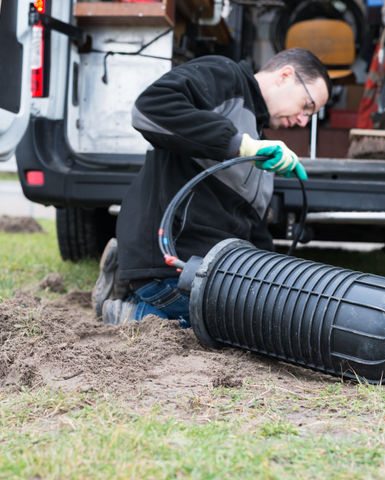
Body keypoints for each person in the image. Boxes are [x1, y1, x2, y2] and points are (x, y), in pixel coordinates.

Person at [92, 47, 332, 327]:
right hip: (170, 263)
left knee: (272, 319)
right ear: (285, 75)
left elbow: (253, 236)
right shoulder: (226, 78)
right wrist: (237, 144)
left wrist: (274, 281)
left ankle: (131, 287)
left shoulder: (259, 146)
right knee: (238, 329)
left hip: (205, 273)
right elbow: (150, 108)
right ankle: (137, 316)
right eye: (307, 106)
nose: (303, 121)